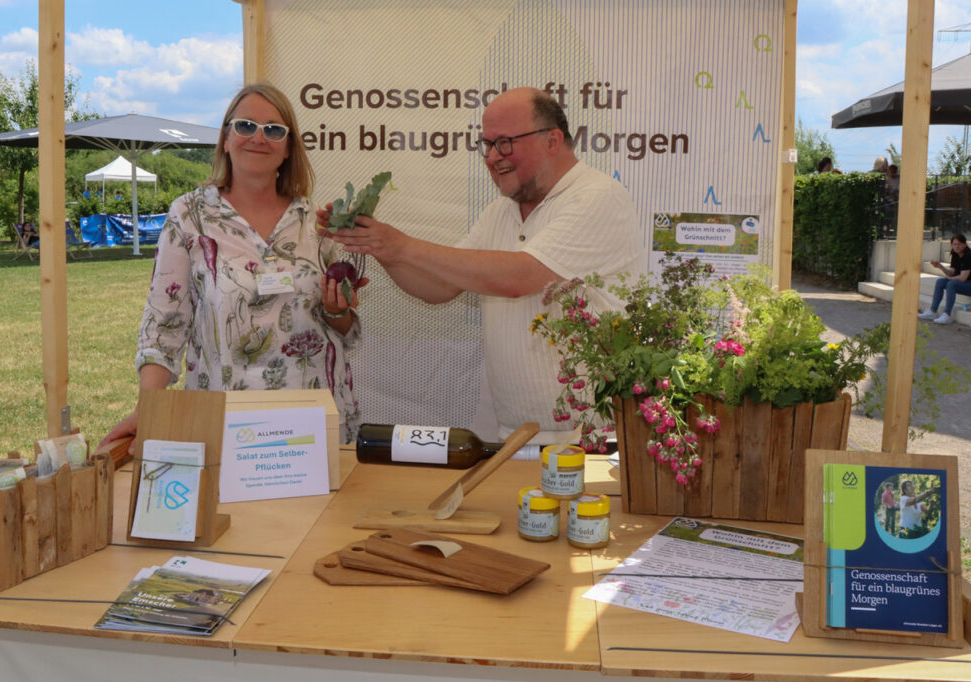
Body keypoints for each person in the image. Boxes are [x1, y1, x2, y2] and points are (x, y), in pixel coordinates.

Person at [319, 87, 643, 445]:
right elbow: (438, 287)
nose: (492, 157)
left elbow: (519, 277)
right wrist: (378, 245)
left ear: (553, 139)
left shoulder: (597, 196)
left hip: (593, 437)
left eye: (505, 143)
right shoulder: (501, 211)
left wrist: (401, 244)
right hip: (518, 437)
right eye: (487, 145)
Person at [101, 83, 363, 452]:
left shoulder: (316, 223)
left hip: (311, 422)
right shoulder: (189, 216)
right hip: (226, 425)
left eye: (274, 129)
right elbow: (163, 323)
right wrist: (149, 407)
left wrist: (338, 312)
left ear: (288, 149)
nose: (259, 137)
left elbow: (346, 332)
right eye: (245, 126)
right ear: (225, 139)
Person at [917, 233, 971, 325]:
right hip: (963, 283)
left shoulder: (968, 255)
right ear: (951, 245)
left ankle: (947, 314)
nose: (957, 246)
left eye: (959, 244)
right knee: (940, 282)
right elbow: (951, 272)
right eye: (954, 244)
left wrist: (951, 278)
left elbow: (963, 278)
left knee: (951, 284)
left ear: (964, 245)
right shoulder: (955, 254)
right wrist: (940, 266)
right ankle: (932, 311)